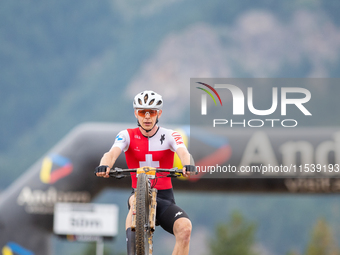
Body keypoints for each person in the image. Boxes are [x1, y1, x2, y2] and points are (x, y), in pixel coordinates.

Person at [95, 90, 195, 255]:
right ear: (136, 113)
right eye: (142, 112)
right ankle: (132, 249)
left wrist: (187, 165)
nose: (147, 117)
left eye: (152, 112)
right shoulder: (126, 135)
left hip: (165, 199)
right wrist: (104, 165)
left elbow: (184, 152)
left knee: (185, 229)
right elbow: (111, 153)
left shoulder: (171, 135)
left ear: (159, 113)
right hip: (138, 194)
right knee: (135, 202)